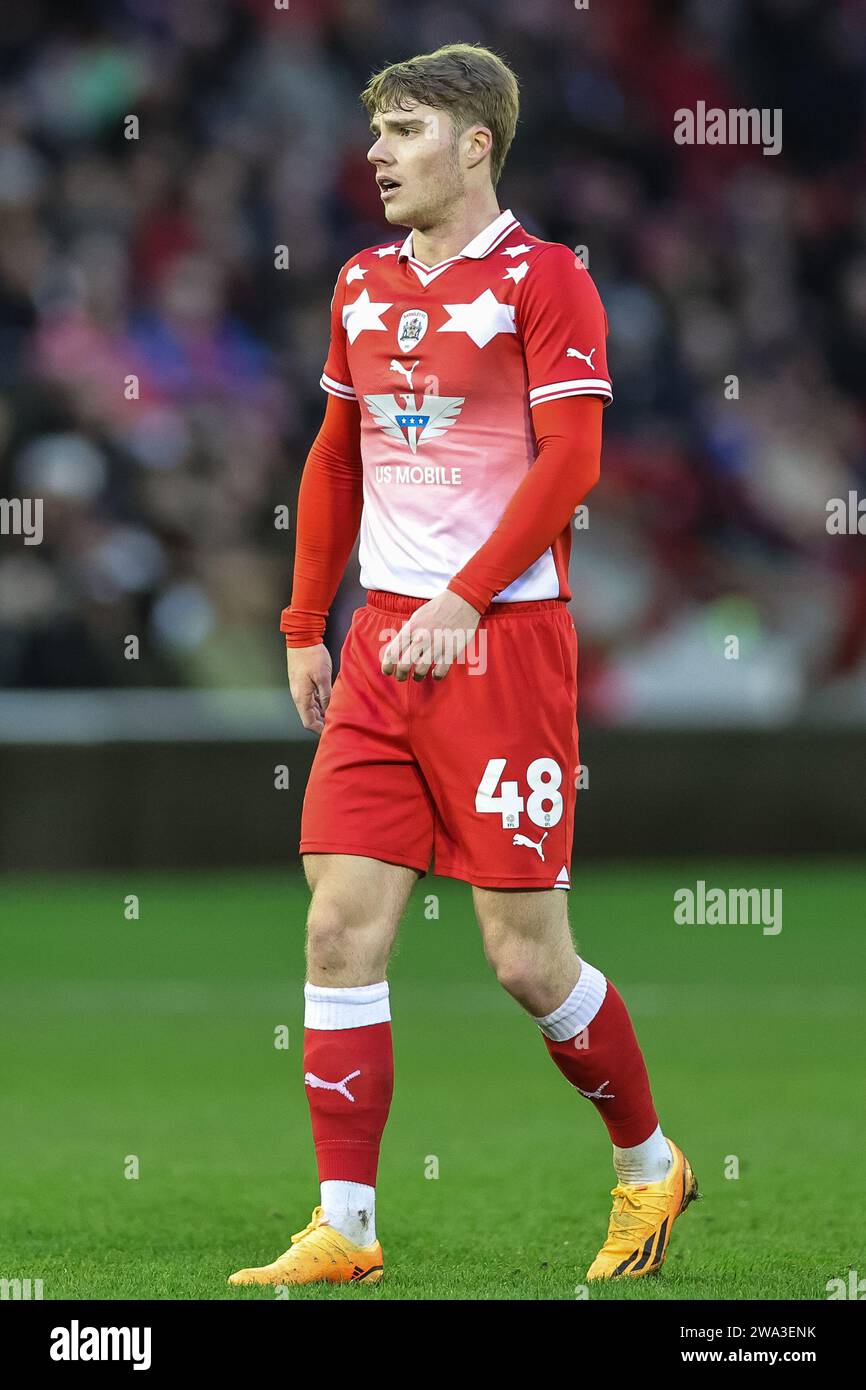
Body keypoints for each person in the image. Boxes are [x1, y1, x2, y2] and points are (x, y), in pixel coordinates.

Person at [229, 41, 697, 1290]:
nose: (375, 153)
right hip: (381, 646)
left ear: (474, 143)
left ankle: (649, 1162)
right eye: (373, 130)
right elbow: (334, 457)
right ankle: (346, 1224)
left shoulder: (548, 283)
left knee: (521, 956)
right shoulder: (360, 283)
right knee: (336, 930)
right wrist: (300, 623)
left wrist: (463, 595)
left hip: (500, 646)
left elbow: (570, 464)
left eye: (403, 131)